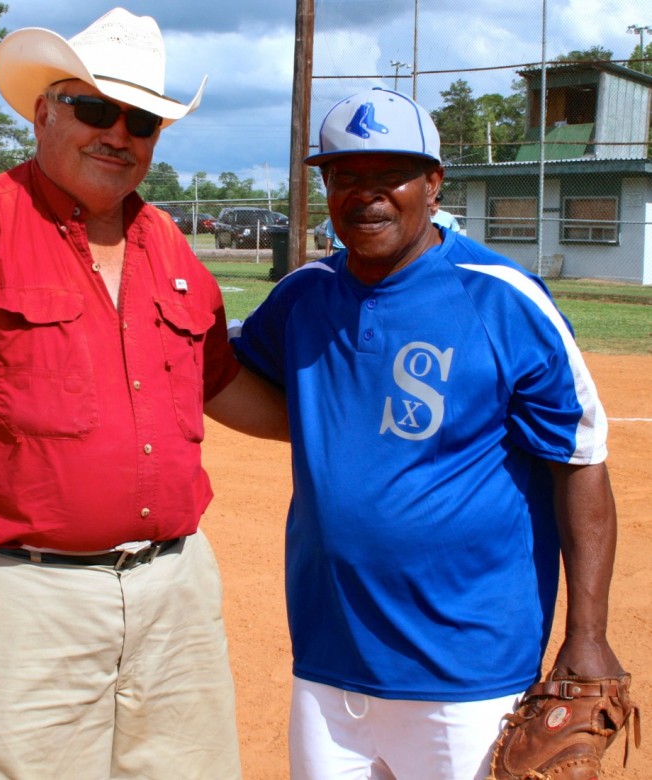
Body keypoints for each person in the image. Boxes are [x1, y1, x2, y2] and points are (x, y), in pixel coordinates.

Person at [0, 9, 286, 780]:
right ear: (44, 110)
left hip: (175, 593)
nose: (119, 134)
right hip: (26, 599)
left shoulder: (170, 245)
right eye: (95, 109)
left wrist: (354, 424)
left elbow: (218, 381)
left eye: (143, 120)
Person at [231, 87, 627, 779]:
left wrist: (586, 635)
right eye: (347, 176)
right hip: (329, 662)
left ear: (434, 183)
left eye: (392, 175)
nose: (369, 195)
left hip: (468, 672)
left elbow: (580, 460)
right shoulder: (302, 296)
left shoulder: (503, 299)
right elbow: (236, 379)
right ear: (326, 185)